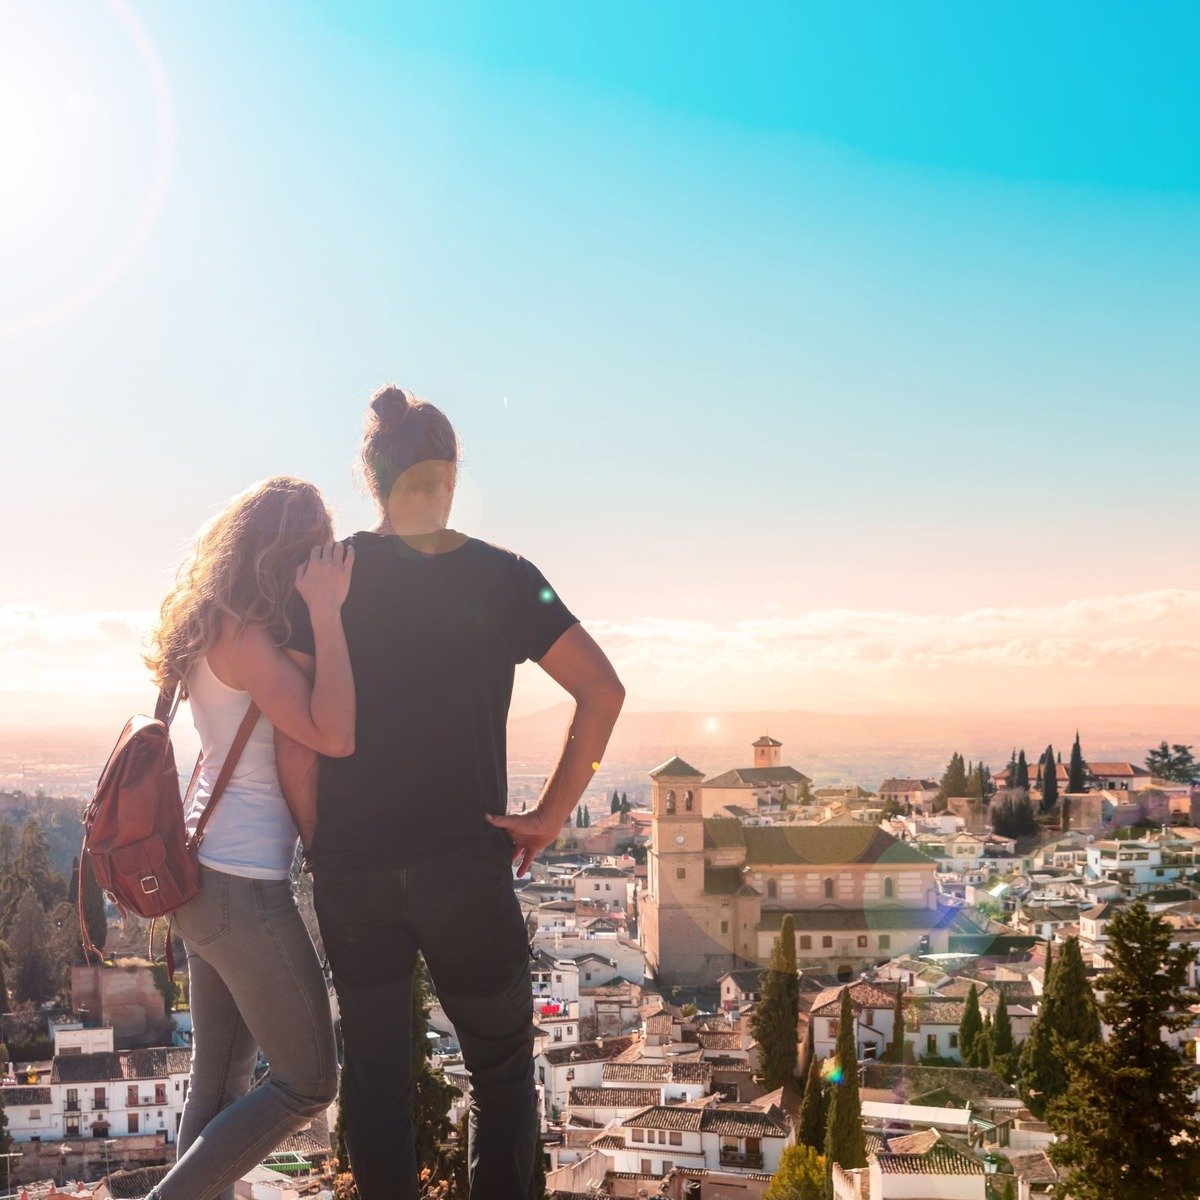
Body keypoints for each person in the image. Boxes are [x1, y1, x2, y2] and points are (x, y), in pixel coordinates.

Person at [275, 385, 625, 1199]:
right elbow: (602, 691)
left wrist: (325, 844)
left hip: (354, 871)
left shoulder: (326, 580)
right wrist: (546, 816)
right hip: (464, 869)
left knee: (376, 1081)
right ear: (452, 475)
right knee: (500, 1076)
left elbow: (296, 742)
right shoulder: (505, 577)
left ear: (374, 479)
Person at [142, 477, 355, 1200]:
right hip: (242, 885)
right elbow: (330, 732)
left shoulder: (213, 623)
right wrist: (326, 613)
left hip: (200, 877)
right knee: (309, 1081)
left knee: (220, 1081)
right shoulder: (250, 637)